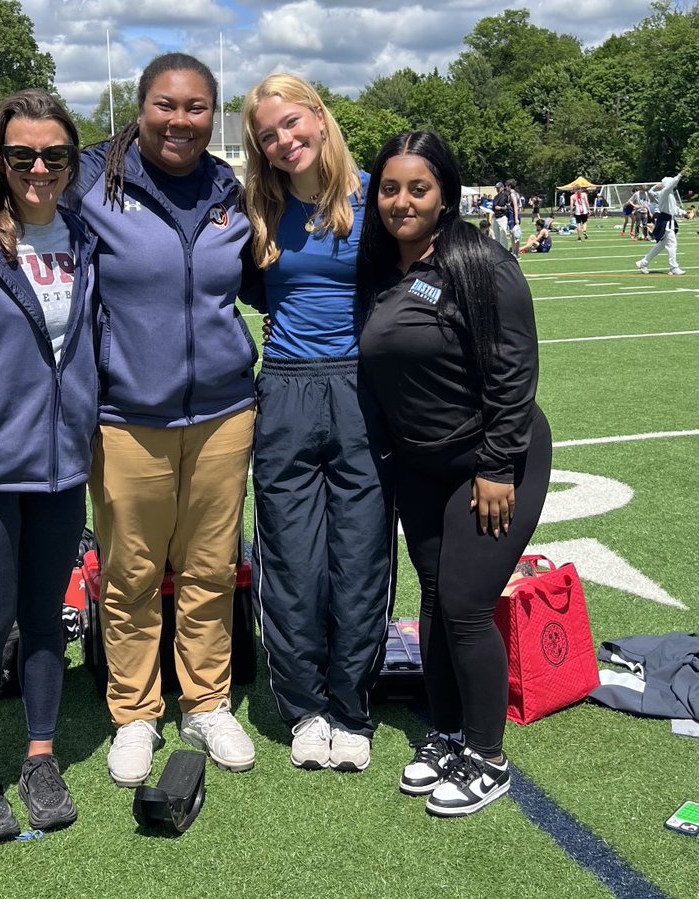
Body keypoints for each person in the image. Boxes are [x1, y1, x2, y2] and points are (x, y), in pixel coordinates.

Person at [72, 52, 259, 786]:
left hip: (222, 411)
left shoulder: (227, 186)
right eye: (164, 105)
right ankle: (135, 711)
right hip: (125, 415)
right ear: (139, 105)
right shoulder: (91, 177)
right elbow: (3, 193)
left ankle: (207, 700)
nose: (180, 120)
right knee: (132, 574)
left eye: (196, 108)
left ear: (215, 114)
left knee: (212, 569)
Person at [356, 131, 552, 817]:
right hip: (422, 465)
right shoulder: (381, 267)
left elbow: (514, 368)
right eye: (389, 187)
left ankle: (487, 756)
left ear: (445, 194)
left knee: (467, 604)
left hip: (496, 460)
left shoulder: (478, 259)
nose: (401, 201)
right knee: (436, 596)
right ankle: (446, 733)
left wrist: (497, 465)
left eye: (418, 188)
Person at [0, 89, 97, 842]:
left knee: (45, 620)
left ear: (73, 160)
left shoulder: (90, 233)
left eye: (55, 154)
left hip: (66, 464)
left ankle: (39, 754)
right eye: (22, 153)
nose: (39, 167)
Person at [240, 73, 394, 773]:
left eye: (291, 124)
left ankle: (352, 707)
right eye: (268, 136)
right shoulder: (259, 212)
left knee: (359, 560)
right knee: (293, 563)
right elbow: (246, 284)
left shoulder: (377, 199)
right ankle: (305, 708)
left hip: (364, 395)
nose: (283, 142)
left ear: (319, 116)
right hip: (287, 395)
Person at [636, 165, 690, 276]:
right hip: (666, 222)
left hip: (668, 221)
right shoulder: (664, 193)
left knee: (660, 246)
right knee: (672, 244)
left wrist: (684, 213)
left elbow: (674, 208)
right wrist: (680, 174)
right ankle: (673, 268)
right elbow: (669, 185)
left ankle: (643, 262)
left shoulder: (668, 195)